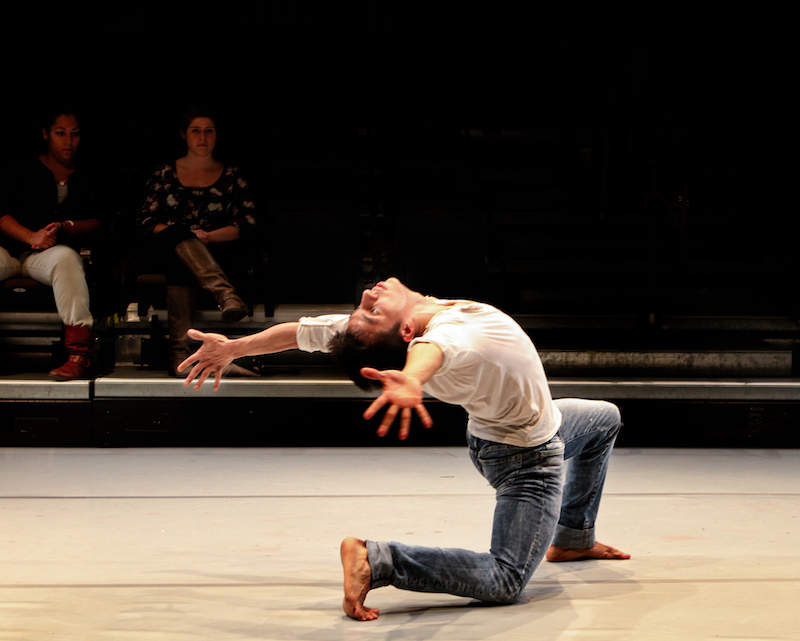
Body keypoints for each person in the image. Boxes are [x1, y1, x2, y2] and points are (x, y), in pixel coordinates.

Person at [178, 277, 630, 621]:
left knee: (604, 418)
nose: (366, 298)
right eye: (370, 313)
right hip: (525, 457)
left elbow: (300, 333)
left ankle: (572, 539)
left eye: (363, 309)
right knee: (506, 580)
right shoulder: (449, 334)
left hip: (538, 422)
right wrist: (412, 378)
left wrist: (236, 347)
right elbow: (433, 351)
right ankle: (380, 559)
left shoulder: (413, 322)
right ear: (408, 330)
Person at [136, 105, 257, 375]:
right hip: (165, 248)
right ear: (184, 135)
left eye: (208, 131)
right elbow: (146, 221)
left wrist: (208, 236)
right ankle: (226, 296)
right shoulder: (166, 173)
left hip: (216, 251)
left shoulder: (232, 175)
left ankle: (179, 357)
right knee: (179, 234)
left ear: (216, 135)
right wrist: (187, 235)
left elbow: (246, 223)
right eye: (195, 131)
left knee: (182, 260)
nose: (202, 137)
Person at [0, 109, 106, 380]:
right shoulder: (23, 167)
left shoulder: (89, 172)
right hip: (11, 249)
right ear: (47, 134)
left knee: (68, 260)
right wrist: (30, 236)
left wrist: (67, 226)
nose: (68, 141)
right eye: (61, 133)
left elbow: (101, 219)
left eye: (74, 134)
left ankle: (79, 354)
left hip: (48, 253)